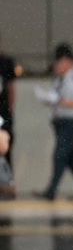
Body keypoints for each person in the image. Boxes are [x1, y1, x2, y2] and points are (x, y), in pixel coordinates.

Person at [34, 43, 73, 200]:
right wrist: (47, 98)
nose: (57, 65)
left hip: (71, 122)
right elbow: (56, 99)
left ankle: (51, 190)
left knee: (60, 155)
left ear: (69, 62)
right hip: (59, 122)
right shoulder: (58, 78)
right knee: (71, 159)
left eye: (60, 61)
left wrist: (57, 99)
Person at [0, 32, 16, 166]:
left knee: (5, 153)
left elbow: (11, 88)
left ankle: (7, 185)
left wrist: (9, 111)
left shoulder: (5, 62)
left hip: (3, 114)